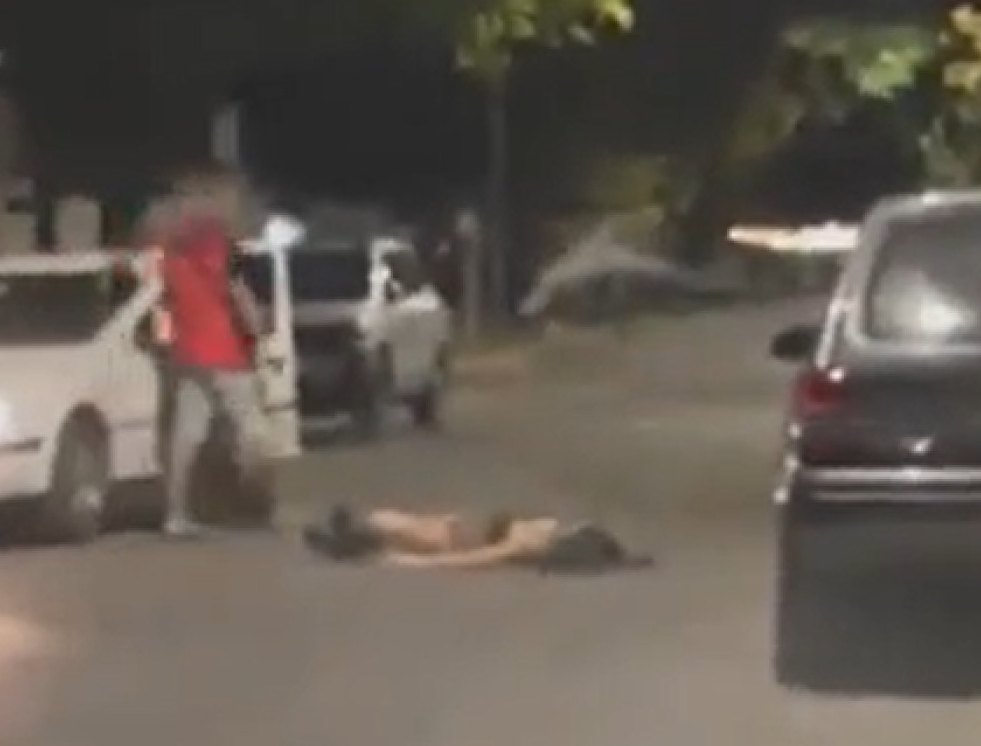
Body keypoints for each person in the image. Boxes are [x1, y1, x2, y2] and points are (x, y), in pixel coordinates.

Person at [155, 163, 274, 538]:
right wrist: (261, 332)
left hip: (188, 354)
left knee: (187, 434)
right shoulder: (222, 248)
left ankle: (175, 514)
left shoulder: (169, 253)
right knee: (253, 431)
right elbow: (241, 299)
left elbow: (161, 301)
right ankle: (254, 503)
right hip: (226, 353)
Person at [302, 505, 651, 574]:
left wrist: (419, 564)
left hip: (472, 540)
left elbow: (479, 559)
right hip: (476, 532)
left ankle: (355, 539)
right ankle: (357, 534)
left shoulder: (529, 542)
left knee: (428, 530)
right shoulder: (543, 532)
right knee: (426, 525)